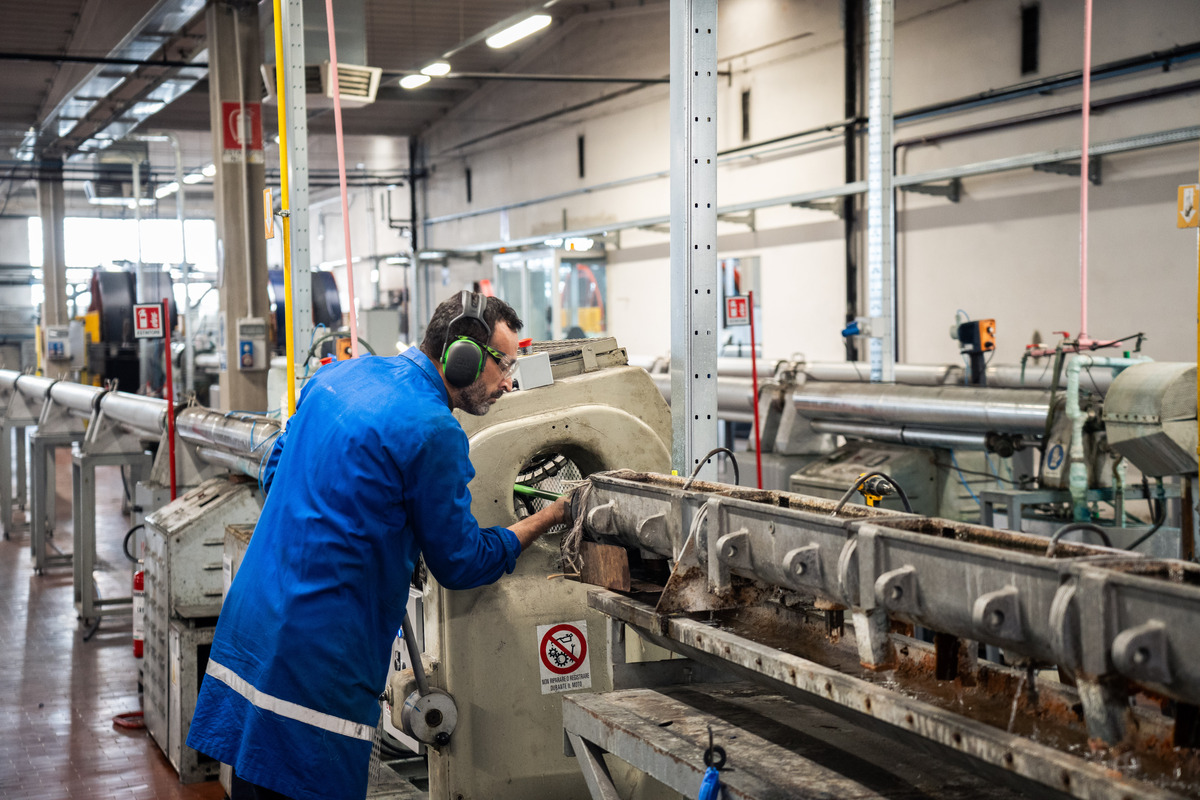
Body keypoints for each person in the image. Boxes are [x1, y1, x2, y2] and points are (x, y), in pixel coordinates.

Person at [187, 291, 570, 800]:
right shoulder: (434, 429)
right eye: (504, 364)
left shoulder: (338, 377)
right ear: (462, 356)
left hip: (252, 623)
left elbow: (276, 470)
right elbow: (461, 562)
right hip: (318, 654)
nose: (508, 382)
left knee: (255, 783)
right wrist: (548, 518)